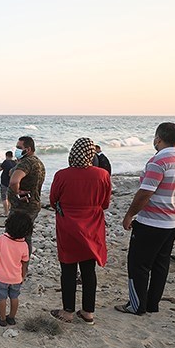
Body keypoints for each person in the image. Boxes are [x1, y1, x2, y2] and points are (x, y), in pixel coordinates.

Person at [116, 123, 175, 316]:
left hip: (152, 221)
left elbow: (145, 193)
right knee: (160, 264)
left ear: (158, 138)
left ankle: (136, 305)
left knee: (138, 264)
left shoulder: (159, 161)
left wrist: (130, 215)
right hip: (174, 220)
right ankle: (151, 303)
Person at [49, 138, 111, 325]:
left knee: (68, 269)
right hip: (92, 226)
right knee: (88, 270)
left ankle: (67, 311)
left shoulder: (62, 175)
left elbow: (53, 201)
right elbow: (105, 203)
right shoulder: (102, 175)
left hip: (68, 226)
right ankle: (88, 312)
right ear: (91, 154)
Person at [0, 212, 32, 327]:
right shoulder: (24, 245)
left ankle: (2, 319)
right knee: (14, 297)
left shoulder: (2, 239)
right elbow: (24, 263)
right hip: (16, 277)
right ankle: (11, 318)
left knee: (2, 298)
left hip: (1, 277)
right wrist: (23, 275)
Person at [8, 136, 46, 254]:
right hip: (33, 204)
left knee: (14, 237)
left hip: (22, 207)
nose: (16, 150)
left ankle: (16, 265)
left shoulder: (26, 163)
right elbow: (12, 172)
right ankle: (24, 266)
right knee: (26, 236)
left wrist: (17, 192)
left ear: (28, 149)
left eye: (19, 148)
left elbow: (14, 181)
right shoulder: (38, 162)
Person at [0, 151, 17, 217]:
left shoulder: (5, 162)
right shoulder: (15, 163)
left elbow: (0, 169)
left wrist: (1, 165)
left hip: (4, 181)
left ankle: (6, 212)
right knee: (10, 197)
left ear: (6, 156)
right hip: (12, 182)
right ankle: (9, 210)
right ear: (12, 156)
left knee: (4, 197)